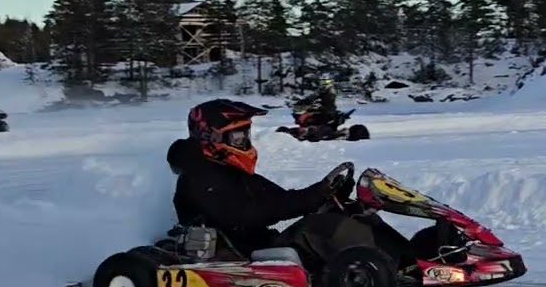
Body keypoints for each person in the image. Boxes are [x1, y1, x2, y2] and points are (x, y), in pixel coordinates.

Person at [167, 98, 412, 273]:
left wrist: (325, 194)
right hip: (242, 253)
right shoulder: (200, 177)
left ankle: (411, 260)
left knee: (353, 212)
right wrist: (313, 196)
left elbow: (280, 199)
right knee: (323, 226)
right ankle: (377, 269)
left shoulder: (231, 172)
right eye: (238, 137)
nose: (244, 142)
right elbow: (246, 214)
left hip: (261, 244)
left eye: (245, 135)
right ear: (212, 138)